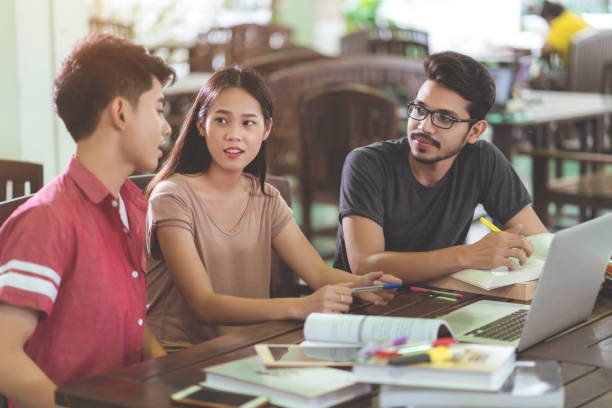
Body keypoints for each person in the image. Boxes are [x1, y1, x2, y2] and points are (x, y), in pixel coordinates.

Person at [144, 67, 401, 351]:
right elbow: (205, 305)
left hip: (248, 350)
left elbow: (318, 273)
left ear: (266, 129)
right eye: (221, 120)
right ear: (200, 125)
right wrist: (300, 306)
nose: (234, 134)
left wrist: (362, 285)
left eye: (248, 123)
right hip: (180, 358)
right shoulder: (172, 197)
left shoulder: (266, 198)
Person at [0, 34, 175, 408]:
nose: (167, 128)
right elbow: (2, 356)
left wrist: (171, 377)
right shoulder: (48, 220)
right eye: (158, 109)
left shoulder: (131, 206)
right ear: (121, 112)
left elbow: (130, 321)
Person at [334, 51, 549, 283]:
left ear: (475, 131)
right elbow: (364, 264)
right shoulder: (367, 164)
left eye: (445, 118)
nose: (424, 126)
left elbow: (538, 242)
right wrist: (468, 255)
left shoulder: (481, 160)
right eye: (420, 109)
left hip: (440, 298)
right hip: (365, 307)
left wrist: (583, 270)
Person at [540, 0, 591, 66]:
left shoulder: (561, 24)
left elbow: (545, 50)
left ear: (548, 17)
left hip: (583, 69)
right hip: (594, 66)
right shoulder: (569, 17)